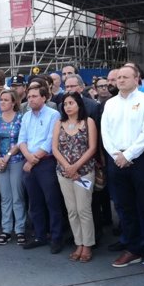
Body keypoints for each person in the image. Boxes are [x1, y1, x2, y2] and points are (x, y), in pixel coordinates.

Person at [102, 65, 144, 275]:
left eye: (125, 77)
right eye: (118, 77)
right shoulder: (109, 104)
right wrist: (116, 155)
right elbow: (105, 132)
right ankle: (133, 248)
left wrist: (128, 155)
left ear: (137, 79)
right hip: (116, 158)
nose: (121, 80)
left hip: (141, 159)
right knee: (124, 207)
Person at [52, 91, 97, 262]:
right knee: (71, 210)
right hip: (63, 173)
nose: (68, 106)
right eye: (65, 104)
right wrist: (67, 167)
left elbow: (92, 148)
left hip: (84, 172)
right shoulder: (59, 123)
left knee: (83, 209)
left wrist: (76, 167)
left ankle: (88, 245)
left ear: (79, 104)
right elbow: (55, 148)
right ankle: (79, 243)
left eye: (71, 103)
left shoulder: (88, 122)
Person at [18, 85, 63, 253]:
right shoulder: (26, 116)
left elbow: (51, 140)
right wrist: (28, 157)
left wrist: (33, 159)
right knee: (34, 202)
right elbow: (21, 139)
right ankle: (39, 235)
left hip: (46, 163)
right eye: (29, 96)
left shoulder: (54, 115)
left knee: (52, 201)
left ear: (44, 98)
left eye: (35, 96)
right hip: (29, 162)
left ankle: (56, 237)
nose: (31, 99)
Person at [0, 89, 26, 245]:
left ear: (14, 102)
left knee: (17, 196)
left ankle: (20, 229)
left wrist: (8, 155)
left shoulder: (20, 118)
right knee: (5, 197)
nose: (2, 102)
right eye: (1, 100)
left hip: (16, 159)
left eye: (6, 100)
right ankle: (6, 229)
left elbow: (21, 140)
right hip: (0, 162)